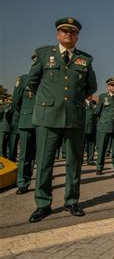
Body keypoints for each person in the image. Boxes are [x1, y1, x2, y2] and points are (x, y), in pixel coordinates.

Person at [27, 17, 97, 222]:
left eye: (72, 32)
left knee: (74, 163)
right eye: (64, 31)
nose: (68, 34)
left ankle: (71, 200)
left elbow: (90, 87)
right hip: (48, 117)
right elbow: (32, 82)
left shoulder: (85, 60)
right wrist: (49, 100)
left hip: (74, 118)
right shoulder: (43, 54)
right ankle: (42, 203)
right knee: (44, 162)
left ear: (77, 37)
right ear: (58, 34)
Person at [13, 74, 37, 194]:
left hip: (43, 122)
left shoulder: (48, 77)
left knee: (43, 156)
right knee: (25, 155)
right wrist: (25, 113)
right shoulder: (23, 79)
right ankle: (23, 182)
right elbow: (16, 102)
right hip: (27, 121)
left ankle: (41, 185)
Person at [95, 77, 114, 175]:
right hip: (104, 126)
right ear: (107, 86)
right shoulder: (102, 97)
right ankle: (99, 167)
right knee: (102, 148)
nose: (113, 87)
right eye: (111, 85)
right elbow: (97, 111)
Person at [83, 96, 96, 166]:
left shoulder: (93, 104)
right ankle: (80, 160)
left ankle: (90, 160)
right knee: (81, 145)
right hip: (83, 127)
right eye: (88, 94)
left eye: (91, 94)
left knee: (91, 144)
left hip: (92, 127)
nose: (90, 95)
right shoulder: (81, 103)